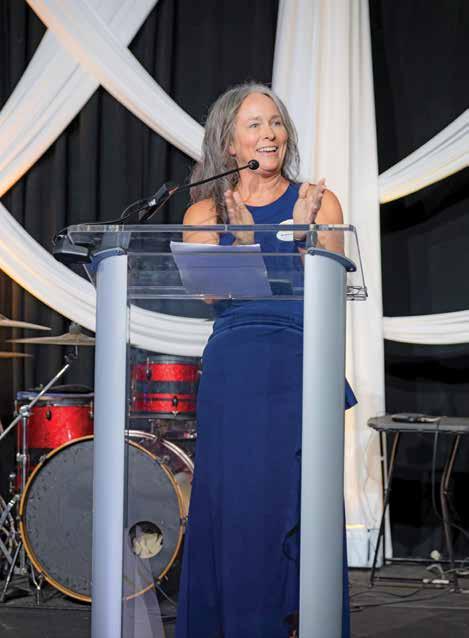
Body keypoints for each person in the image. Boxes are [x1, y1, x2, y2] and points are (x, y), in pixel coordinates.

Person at [175, 82, 356, 638]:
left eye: (275, 122)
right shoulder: (204, 211)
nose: (270, 133)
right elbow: (211, 295)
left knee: (297, 501)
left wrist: (302, 236)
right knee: (238, 504)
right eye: (254, 124)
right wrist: (243, 240)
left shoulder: (319, 202)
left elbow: (329, 293)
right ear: (230, 143)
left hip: (301, 362)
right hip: (236, 372)